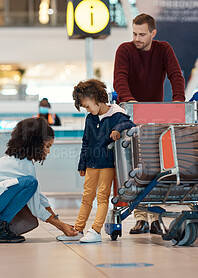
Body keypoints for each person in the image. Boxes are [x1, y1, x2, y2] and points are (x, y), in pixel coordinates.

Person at [113, 14, 186, 235]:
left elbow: (175, 75)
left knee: (155, 167)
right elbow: (120, 79)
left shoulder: (163, 49)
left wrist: (178, 101)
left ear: (153, 33)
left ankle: (154, 216)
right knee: (135, 168)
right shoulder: (124, 50)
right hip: (130, 115)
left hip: (155, 116)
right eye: (134, 33)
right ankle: (141, 218)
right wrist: (130, 101)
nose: (137, 38)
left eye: (142, 34)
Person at [0, 118, 78, 243]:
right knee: (30, 183)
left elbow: (38, 195)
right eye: (47, 146)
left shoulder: (14, 161)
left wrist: (57, 219)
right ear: (35, 144)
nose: (48, 151)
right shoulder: (23, 166)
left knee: (30, 184)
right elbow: (36, 206)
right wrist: (61, 226)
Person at [56, 79, 135, 243]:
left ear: (97, 99)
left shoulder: (116, 114)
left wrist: (117, 129)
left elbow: (129, 123)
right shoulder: (90, 119)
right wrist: (82, 163)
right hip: (91, 163)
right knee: (86, 197)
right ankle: (78, 230)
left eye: (87, 106)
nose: (87, 110)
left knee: (102, 197)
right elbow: (85, 141)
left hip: (107, 164)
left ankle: (96, 230)